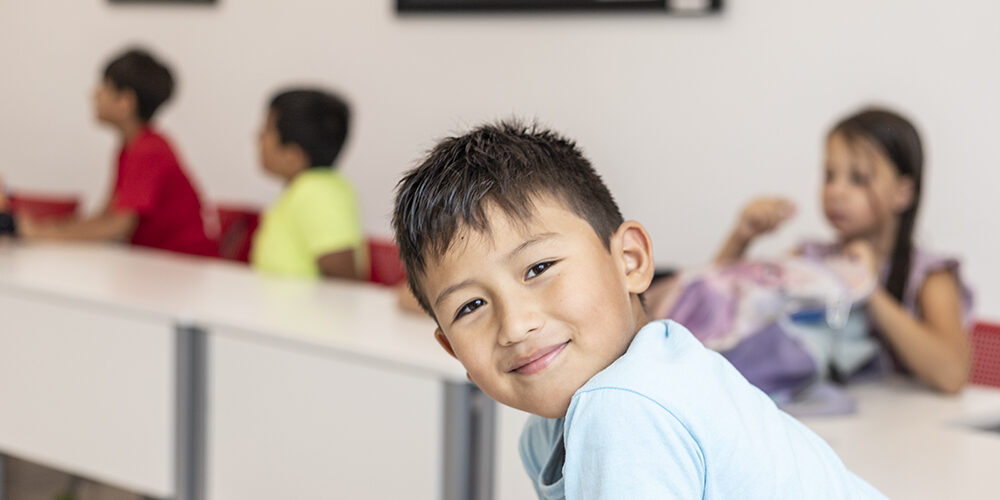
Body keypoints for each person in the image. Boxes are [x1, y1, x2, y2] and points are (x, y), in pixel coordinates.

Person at [391, 121, 886, 499]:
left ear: (631, 260)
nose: (517, 325)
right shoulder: (556, 427)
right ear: (451, 347)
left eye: (539, 268)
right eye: (471, 306)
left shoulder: (626, 405)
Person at [714, 108, 972, 394]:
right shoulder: (811, 259)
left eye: (858, 178)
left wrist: (867, 288)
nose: (836, 191)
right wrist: (741, 237)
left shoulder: (929, 276)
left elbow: (952, 375)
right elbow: (716, 314)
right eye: (829, 175)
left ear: (903, 192)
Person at [0, 48, 216, 257]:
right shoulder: (132, 147)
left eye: (104, 86)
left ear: (125, 102)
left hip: (182, 265)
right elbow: (105, 216)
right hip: (155, 265)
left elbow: (117, 226)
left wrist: (36, 232)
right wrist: (42, 230)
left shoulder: (148, 151)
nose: (94, 94)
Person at [251, 88, 365, 279]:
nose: (258, 136)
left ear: (292, 156)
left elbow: (343, 275)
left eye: (268, 129)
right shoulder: (306, 188)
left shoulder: (317, 192)